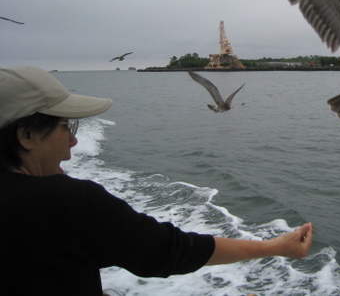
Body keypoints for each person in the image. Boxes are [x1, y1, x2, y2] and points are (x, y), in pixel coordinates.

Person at [0, 66, 313, 295]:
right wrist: (275, 246)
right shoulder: (70, 201)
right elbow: (169, 250)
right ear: (26, 135)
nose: (73, 142)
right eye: (66, 127)